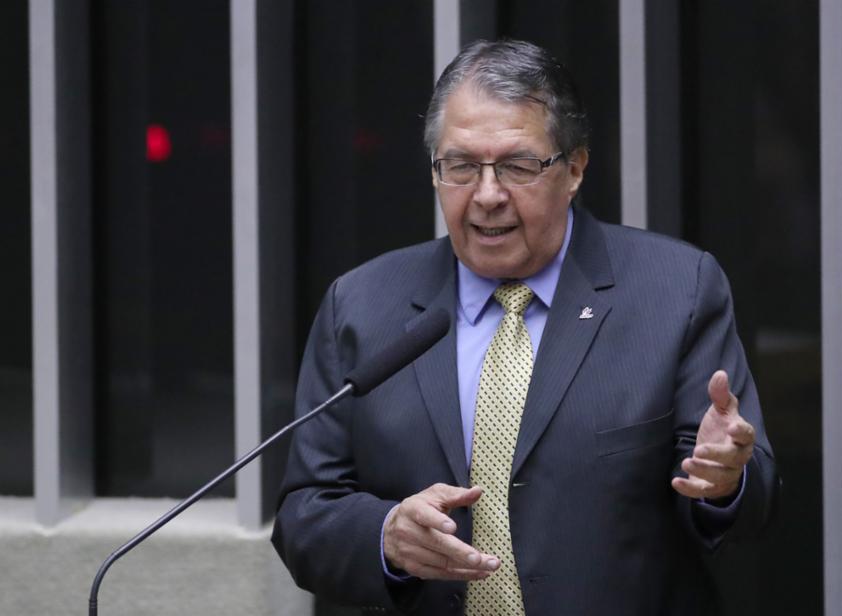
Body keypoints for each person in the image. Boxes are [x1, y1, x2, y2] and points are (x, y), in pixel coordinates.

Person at [272, 39, 778, 615]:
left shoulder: (676, 290)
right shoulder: (361, 305)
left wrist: (724, 482)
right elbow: (303, 517)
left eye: (517, 166)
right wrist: (385, 536)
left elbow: (751, 505)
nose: (487, 195)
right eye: (461, 166)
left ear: (575, 168)